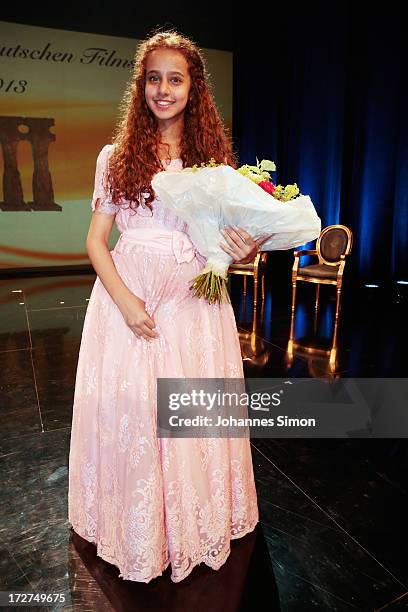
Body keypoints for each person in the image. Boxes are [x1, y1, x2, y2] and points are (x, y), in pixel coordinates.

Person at [68, 29, 269, 584]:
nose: (163, 89)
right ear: (142, 87)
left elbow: (231, 237)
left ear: (193, 87)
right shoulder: (116, 157)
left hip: (192, 301)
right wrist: (127, 301)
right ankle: (136, 525)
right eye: (153, 78)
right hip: (127, 295)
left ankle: (190, 519)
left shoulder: (213, 160)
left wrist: (244, 246)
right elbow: (94, 241)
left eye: (174, 79)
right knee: (134, 413)